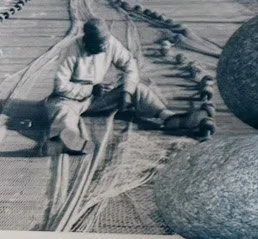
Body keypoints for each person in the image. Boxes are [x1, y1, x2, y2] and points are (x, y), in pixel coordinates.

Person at [42, 17, 170, 153]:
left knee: (138, 89)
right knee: (62, 111)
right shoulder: (71, 51)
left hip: (97, 98)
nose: (104, 47)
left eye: (105, 42)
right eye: (99, 43)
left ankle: (168, 117)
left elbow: (130, 65)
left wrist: (126, 92)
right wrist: (90, 89)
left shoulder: (110, 43)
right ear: (87, 40)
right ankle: (68, 139)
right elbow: (60, 86)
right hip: (69, 99)